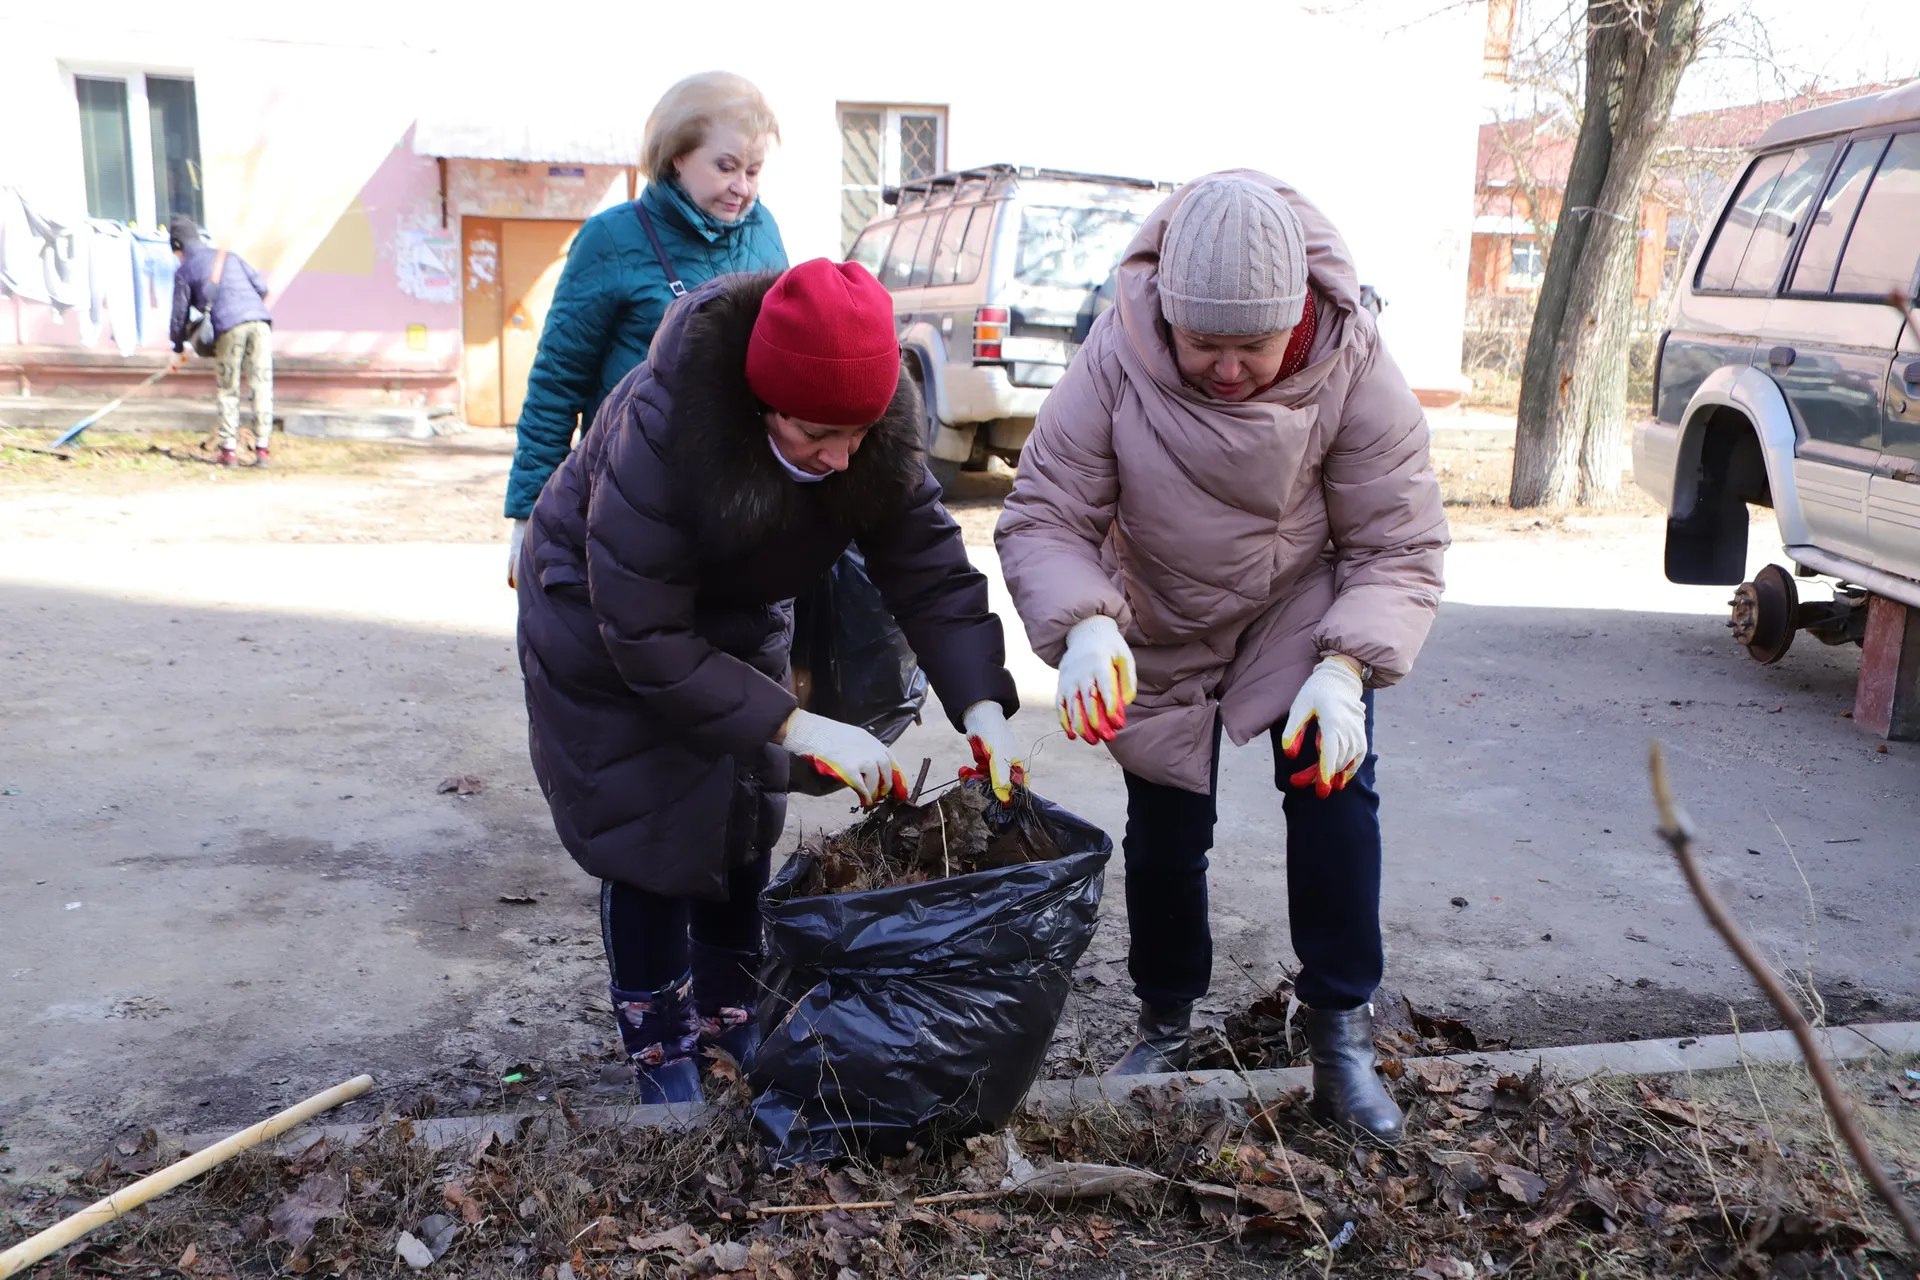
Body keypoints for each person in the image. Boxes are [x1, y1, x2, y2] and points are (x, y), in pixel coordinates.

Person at [995, 173, 1448, 1145]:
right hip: (1156, 612)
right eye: (1206, 344)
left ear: (1297, 319)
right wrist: (1085, 625)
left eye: (1255, 346)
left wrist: (1347, 668)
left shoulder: (1353, 360)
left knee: (1333, 791)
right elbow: (1045, 514)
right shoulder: (1115, 354)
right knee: (1164, 828)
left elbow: (1397, 542)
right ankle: (1166, 1023)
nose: (1230, 369)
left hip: (1298, 611)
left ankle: (1340, 1038)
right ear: (1166, 312)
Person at [516, 258, 1029, 1103]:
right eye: (817, 435)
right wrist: (801, 725)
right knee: (651, 828)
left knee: (743, 814)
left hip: (738, 611)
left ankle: (728, 1010)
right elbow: (646, 635)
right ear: (763, 403)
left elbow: (930, 573)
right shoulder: (665, 427)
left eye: (859, 433)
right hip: (603, 613)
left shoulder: (866, 431)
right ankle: (659, 1040)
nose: (841, 457)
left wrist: (984, 708)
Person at [505, 70, 787, 584]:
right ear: (677, 155)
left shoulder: (764, 232)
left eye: (753, 170)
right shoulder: (611, 238)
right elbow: (557, 383)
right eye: (725, 166)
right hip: (632, 499)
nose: (742, 188)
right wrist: (532, 516)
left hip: (738, 503)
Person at [168, 214, 272, 467]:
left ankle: (229, 452)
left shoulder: (185, 270)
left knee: (229, 388)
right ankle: (262, 450)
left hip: (228, 327)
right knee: (261, 385)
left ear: (177, 246)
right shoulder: (229, 256)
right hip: (260, 322)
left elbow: (179, 315)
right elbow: (261, 287)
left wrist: (178, 346)